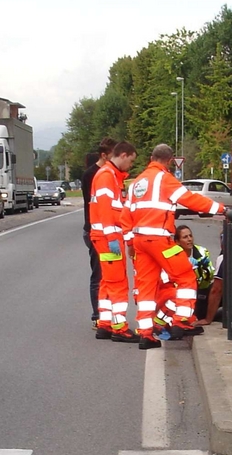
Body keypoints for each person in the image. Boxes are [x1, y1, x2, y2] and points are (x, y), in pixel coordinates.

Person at [121, 144, 225, 350]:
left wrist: (130, 242)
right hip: (160, 239)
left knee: (146, 288)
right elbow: (190, 199)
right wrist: (221, 209)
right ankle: (182, 322)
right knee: (186, 276)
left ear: (151, 157)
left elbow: (125, 215)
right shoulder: (164, 178)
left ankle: (145, 334)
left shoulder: (137, 183)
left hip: (140, 241)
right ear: (169, 161)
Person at [89, 141, 139, 343]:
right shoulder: (107, 176)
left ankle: (105, 324)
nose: (131, 165)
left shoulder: (110, 176)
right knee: (118, 282)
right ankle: (119, 327)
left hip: (105, 236)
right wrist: (112, 237)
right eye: (132, 161)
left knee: (107, 282)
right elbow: (105, 210)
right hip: (107, 237)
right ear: (124, 155)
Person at [81, 138, 117, 329]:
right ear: (104, 155)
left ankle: (108, 314)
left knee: (110, 275)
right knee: (99, 274)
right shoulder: (92, 175)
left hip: (108, 231)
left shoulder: (111, 174)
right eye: (114, 155)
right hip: (96, 230)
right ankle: (98, 314)